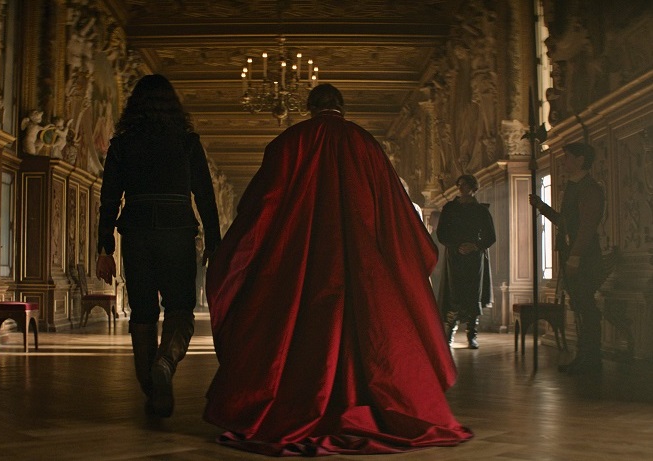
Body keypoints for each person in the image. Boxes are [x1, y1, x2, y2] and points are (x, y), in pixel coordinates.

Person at [203, 84, 472, 456]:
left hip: (299, 260)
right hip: (361, 260)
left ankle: (299, 402)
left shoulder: (289, 142)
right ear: (341, 107)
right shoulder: (366, 144)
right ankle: (359, 401)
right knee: (367, 336)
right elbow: (392, 207)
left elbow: (263, 204)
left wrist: (242, 250)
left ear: (310, 107)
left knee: (295, 332)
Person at [96, 74, 221, 417]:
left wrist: (104, 248)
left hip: (136, 232)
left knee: (143, 311)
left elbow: (109, 200)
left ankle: (151, 389)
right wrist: (214, 242)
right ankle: (165, 363)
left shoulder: (122, 144)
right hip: (177, 230)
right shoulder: (187, 142)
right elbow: (205, 196)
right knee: (180, 307)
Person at [530, 142, 604, 375]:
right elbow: (565, 222)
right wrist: (542, 207)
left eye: (568, 157)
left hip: (583, 257)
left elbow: (587, 226)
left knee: (585, 307)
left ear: (580, 160)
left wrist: (576, 256)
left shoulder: (589, 188)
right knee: (580, 306)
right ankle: (584, 357)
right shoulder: (575, 187)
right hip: (572, 255)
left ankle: (591, 359)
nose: (564, 162)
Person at [436, 174, 495, 349]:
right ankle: (450, 332)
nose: (461, 188)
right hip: (454, 257)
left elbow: (490, 236)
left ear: (473, 187)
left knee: (473, 295)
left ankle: (472, 335)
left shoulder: (481, 210)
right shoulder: (449, 208)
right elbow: (442, 234)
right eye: (459, 184)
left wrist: (475, 246)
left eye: (465, 184)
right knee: (454, 293)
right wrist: (456, 246)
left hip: (474, 258)